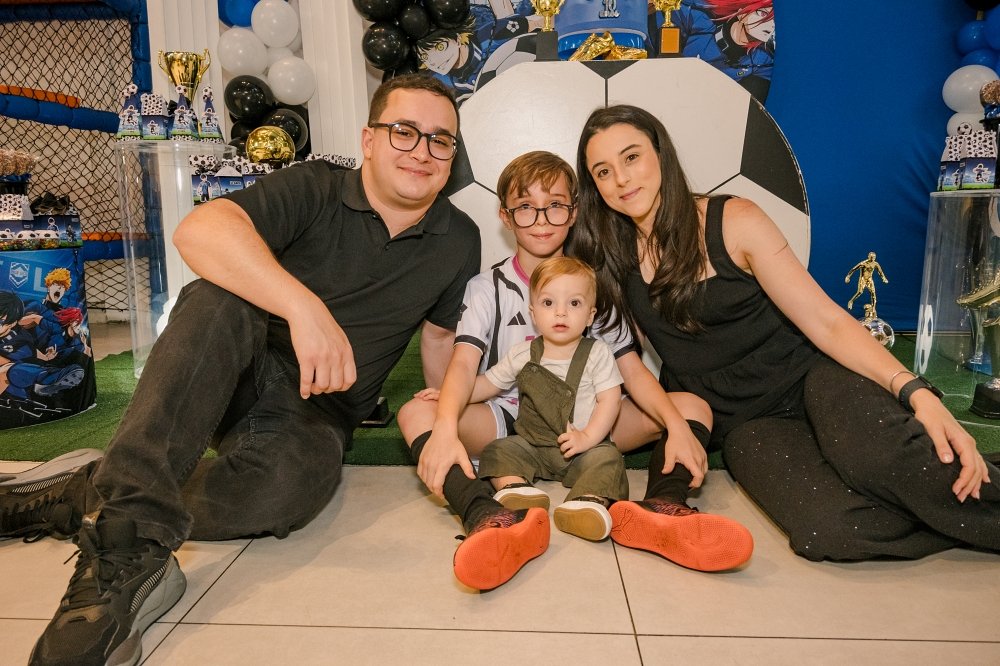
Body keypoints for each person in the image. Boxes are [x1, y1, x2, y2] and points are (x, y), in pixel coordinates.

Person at [0, 73, 481, 666]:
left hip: (319, 410)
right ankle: (129, 539)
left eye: (440, 140)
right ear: (369, 139)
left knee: (282, 496)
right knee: (216, 296)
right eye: (404, 131)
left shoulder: (459, 239)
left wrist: (444, 419)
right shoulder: (315, 186)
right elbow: (198, 230)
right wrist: (302, 307)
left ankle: (88, 489)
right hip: (237, 367)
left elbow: (441, 337)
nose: (422, 151)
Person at [571, 103, 1000, 562]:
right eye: (603, 171)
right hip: (745, 425)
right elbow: (622, 357)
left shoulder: (733, 220)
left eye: (631, 156)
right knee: (826, 533)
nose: (621, 179)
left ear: (660, 153)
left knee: (891, 466)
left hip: (812, 379)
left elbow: (827, 320)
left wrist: (916, 393)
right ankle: (935, 509)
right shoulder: (610, 260)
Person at [399, 151, 753, 592]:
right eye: (526, 207)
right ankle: (487, 516)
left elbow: (633, 372)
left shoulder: (597, 286)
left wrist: (677, 426)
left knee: (690, 407)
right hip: (510, 420)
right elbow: (465, 364)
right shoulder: (486, 287)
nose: (541, 220)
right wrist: (447, 419)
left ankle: (664, 507)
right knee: (417, 413)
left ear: (574, 212)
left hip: (592, 422)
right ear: (505, 216)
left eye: (555, 205)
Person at [474, 256, 629, 541]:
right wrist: (453, 393)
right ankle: (516, 489)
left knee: (609, 459)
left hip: (582, 450)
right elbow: (488, 384)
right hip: (531, 445)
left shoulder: (597, 353)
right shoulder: (522, 354)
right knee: (498, 449)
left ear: (590, 315)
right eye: (548, 303)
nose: (561, 313)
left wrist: (587, 437)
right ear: (533, 313)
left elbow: (610, 400)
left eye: (574, 303)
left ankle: (586, 502)